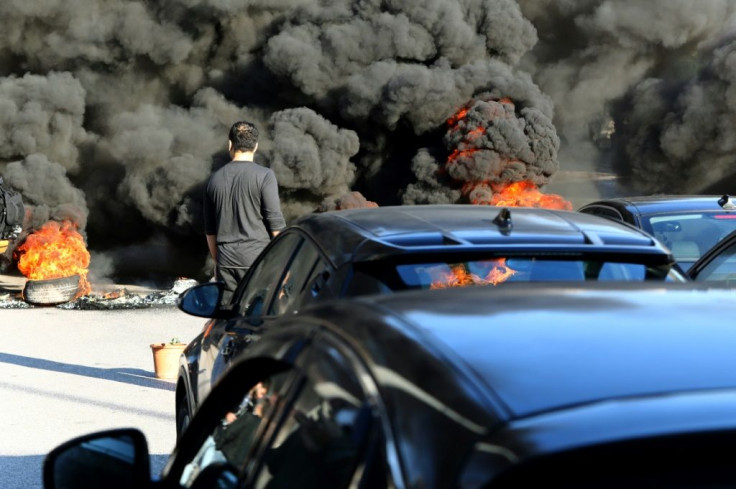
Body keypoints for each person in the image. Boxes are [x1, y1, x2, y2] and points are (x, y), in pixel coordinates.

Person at [204, 121, 286, 303]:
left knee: (228, 316)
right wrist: (283, 265)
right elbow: (276, 224)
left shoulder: (213, 180)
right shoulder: (265, 176)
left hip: (226, 261)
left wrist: (219, 262)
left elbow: (210, 230)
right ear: (255, 146)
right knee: (259, 314)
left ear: (230, 145)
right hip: (258, 261)